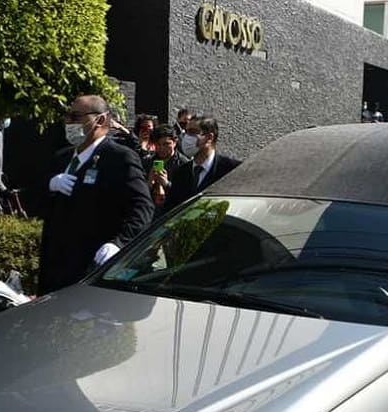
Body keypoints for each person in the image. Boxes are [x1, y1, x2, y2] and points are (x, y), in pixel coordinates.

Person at [39, 94, 154, 294]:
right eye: (67, 117)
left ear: (100, 120)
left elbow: (143, 207)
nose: (69, 123)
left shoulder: (119, 158)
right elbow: (35, 202)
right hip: (55, 267)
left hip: (90, 268)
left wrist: (119, 243)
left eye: (75, 117)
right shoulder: (62, 158)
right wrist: (49, 185)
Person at [162, 115, 241, 213]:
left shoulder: (231, 170)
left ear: (209, 137)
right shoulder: (181, 173)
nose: (186, 137)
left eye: (192, 132)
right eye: (186, 132)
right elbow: (170, 210)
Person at [144, 124, 190, 209]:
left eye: (166, 144)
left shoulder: (185, 165)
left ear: (175, 142)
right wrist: (149, 183)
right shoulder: (147, 162)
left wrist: (167, 184)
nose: (162, 148)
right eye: (158, 144)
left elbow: (186, 195)